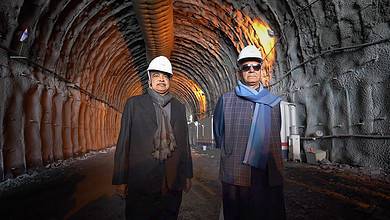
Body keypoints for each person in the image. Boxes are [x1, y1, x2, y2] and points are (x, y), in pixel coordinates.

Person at [112, 56, 193, 220]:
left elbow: (184, 144)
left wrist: (187, 174)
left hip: (172, 183)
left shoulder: (179, 107)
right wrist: (120, 178)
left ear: (170, 79)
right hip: (141, 181)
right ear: (149, 79)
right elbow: (124, 143)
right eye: (156, 75)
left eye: (165, 76)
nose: (161, 79)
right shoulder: (134, 105)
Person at [213, 45, 286, 220]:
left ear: (262, 70)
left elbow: (277, 129)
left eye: (256, 67)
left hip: (267, 172)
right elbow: (218, 133)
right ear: (240, 72)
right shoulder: (226, 100)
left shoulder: (274, 102)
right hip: (237, 169)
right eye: (246, 67)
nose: (251, 70)